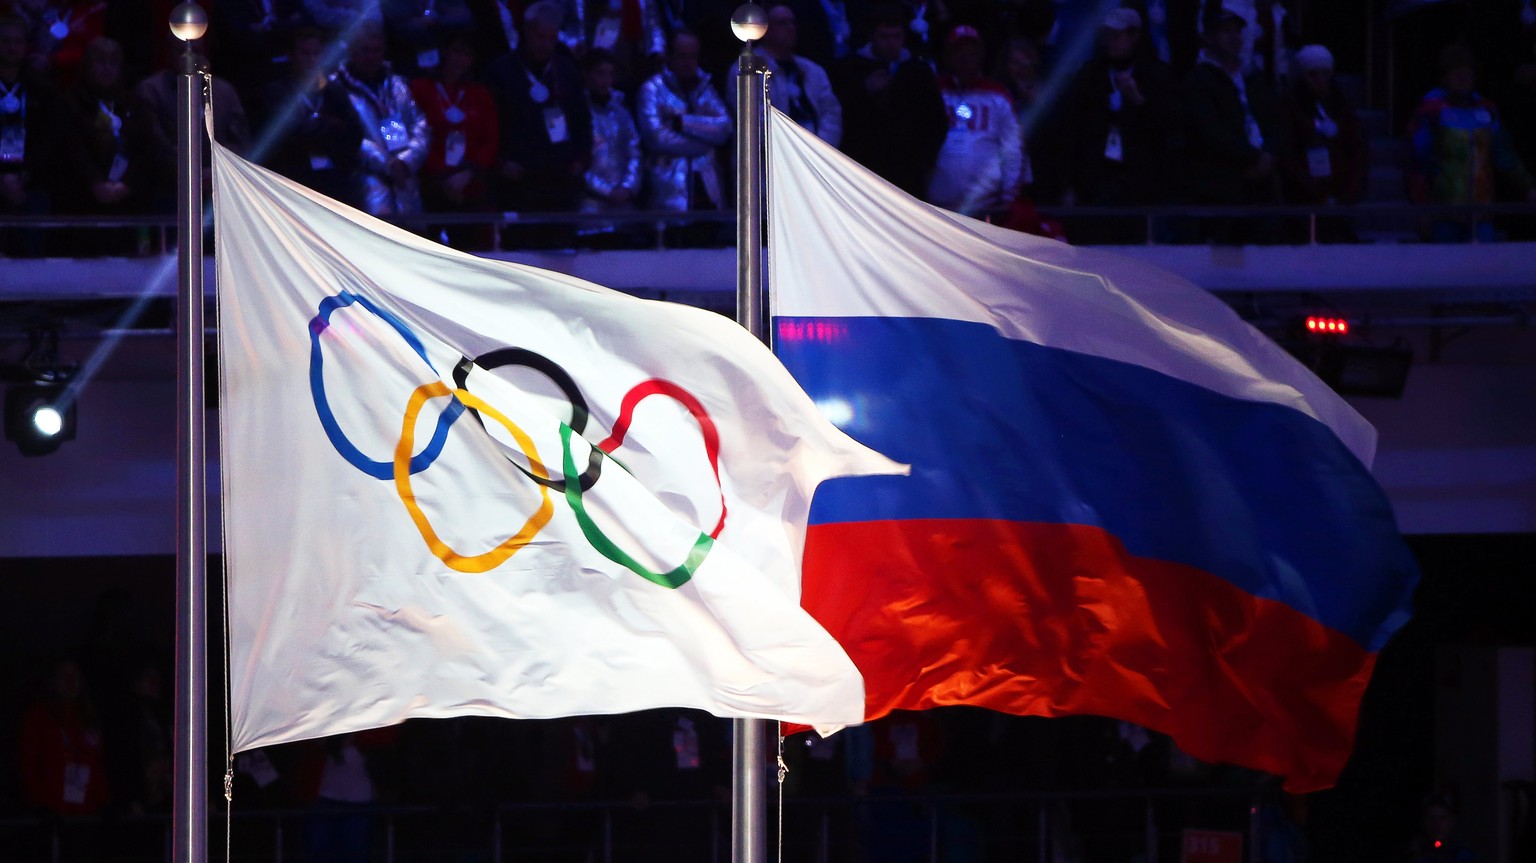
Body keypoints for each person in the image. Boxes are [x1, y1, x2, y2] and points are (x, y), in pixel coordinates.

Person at [1058, 7, 1180, 241]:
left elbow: (1170, 129)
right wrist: (1070, 184)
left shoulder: (1157, 76)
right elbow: (1072, 132)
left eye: (1117, 35)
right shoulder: (1089, 75)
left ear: (1134, 36)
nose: (1110, 42)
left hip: (1141, 185)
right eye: (1107, 35)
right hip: (1094, 182)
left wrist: (1139, 100)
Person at [1181, 2, 1287, 243]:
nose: (1234, 37)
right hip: (1223, 187)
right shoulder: (1199, 80)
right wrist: (1252, 157)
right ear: (1208, 37)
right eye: (1225, 31)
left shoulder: (1254, 78)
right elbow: (1210, 132)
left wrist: (1268, 154)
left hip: (1263, 184)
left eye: (1237, 31)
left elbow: (1275, 121)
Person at [1407, 44, 1536, 242]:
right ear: (1445, 78)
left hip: (1482, 210)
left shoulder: (1487, 112)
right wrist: (1421, 207)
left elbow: (1505, 155)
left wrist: (1528, 187)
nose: (1463, 80)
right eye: (1456, 75)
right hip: (1445, 211)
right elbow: (1418, 162)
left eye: (1467, 75)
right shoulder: (1431, 113)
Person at [485, 0, 592, 213]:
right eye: (540, 37)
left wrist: (581, 158)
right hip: (518, 173)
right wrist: (501, 160)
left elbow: (582, 119)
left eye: (551, 39)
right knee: (522, 242)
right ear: (526, 31)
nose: (545, 45)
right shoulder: (501, 70)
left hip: (562, 174)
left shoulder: (567, 69)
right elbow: (489, 123)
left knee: (561, 241)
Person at [831, 2, 945, 200]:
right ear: (872, 36)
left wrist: (923, 161)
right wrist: (865, 90)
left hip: (909, 172)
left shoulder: (918, 70)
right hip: (862, 167)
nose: (890, 43)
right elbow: (838, 115)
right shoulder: (850, 68)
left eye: (896, 37)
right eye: (884, 37)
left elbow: (937, 120)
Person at [333, 21, 431, 217]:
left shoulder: (397, 85)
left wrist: (405, 161)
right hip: (364, 188)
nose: (371, 56)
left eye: (377, 50)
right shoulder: (336, 87)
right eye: (365, 50)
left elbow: (421, 127)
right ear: (351, 49)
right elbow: (346, 137)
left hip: (405, 185)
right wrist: (387, 164)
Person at [260, 27, 366, 207]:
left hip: (336, 179)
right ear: (291, 55)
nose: (312, 60)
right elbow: (289, 135)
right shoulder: (278, 92)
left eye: (317, 54)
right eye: (305, 54)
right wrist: (330, 125)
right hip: (294, 177)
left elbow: (355, 133)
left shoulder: (334, 91)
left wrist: (316, 128)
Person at [410, 30, 498, 243]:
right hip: (430, 185)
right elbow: (415, 135)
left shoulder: (480, 94)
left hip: (470, 186)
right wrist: (442, 178)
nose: (461, 59)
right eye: (457, 51)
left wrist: (468, 172)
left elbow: (491, 138)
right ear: (444, 52)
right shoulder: (419, 88)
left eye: (467, 54)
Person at [927, 24, 1022, 219]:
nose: (965, 58)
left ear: (981, 56)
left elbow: (1013, 148)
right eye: (958, 51)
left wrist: (1008, 198)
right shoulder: (932, 91)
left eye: (971, 52)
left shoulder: (998, 95)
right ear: (947, 56)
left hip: (986, 207)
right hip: (935, 206)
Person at [635, 28, 730, 212]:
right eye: (682, 56)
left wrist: (682, 123)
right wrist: (706, 143)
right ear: (669, 56)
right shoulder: (652, 89)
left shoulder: (705, 87)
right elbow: (657, 138)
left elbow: (725, 128)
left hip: (707, 185)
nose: (688, 63)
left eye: (693, 56)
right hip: (668, 188)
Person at [1279, 44, 1364, 241]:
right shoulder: (1290, 107)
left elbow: (1358, 149)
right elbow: (1288, 154)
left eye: (1325, 74)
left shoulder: (1342, 106)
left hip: (1340, 195)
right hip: (1303, 199)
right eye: (1313, 74)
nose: (1320, 80)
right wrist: (1315, 193)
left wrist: (1351, 190)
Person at [0, 13, 67, 256]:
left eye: (17, 41)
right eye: (5, 41)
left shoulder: (40, 86)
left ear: (25, 46)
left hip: (31, 180)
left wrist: (24, 174)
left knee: (32, 249)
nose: (11, 47)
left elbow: (50, 135)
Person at [746, 2, 841, 147]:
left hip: (814, 151)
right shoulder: (748, 70)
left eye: (792, 22)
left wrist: (819, 149)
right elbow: (754, 121)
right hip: (772, 156)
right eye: (783, 23)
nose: (791, 28)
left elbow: (831, 113)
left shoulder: (813, 70)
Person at [581, 48, 641, 215]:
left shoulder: (622, 112)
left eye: (610, 74)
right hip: (588, 209)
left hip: (623, 207)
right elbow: (574, 161)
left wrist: (627, 187)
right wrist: (606, 191)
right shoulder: (576, 112)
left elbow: (635, 153)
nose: (606, 80)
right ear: (587, 74)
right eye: (600, 73)